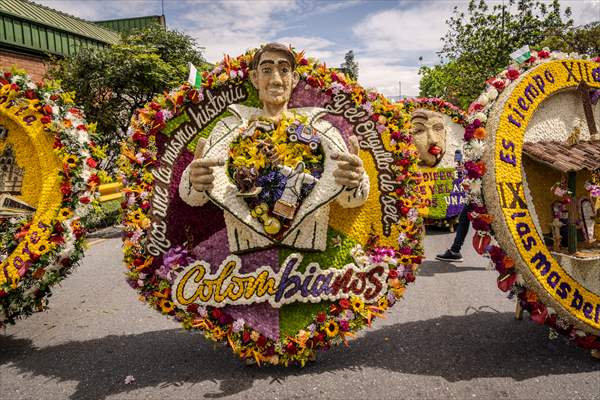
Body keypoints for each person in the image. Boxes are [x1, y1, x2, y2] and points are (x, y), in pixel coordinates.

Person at [179, 43, 369, 254]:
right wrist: (194, 180)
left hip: (309, 258)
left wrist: (354, 180)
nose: (276, 80)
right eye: (267, 70)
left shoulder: (322, 129)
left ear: (294, 79)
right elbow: (193, 197)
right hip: (245, 258)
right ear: (254, 78)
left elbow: (350, 199)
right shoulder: (228, 128)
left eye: (284, 70)